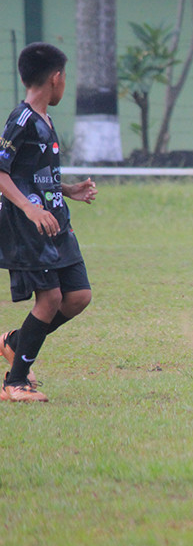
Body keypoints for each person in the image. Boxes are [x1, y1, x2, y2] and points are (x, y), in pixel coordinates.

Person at [0, 43, 97, 402]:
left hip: (56, 222)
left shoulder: (45, 119)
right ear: (56, 78)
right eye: (65, 76)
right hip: (31, 226)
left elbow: (33, 172)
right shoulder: (21, 119)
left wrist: (67, 190)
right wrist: (29, 208)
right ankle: (15, 382)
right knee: (50, 298)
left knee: (78, 297)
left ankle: (14, 342)